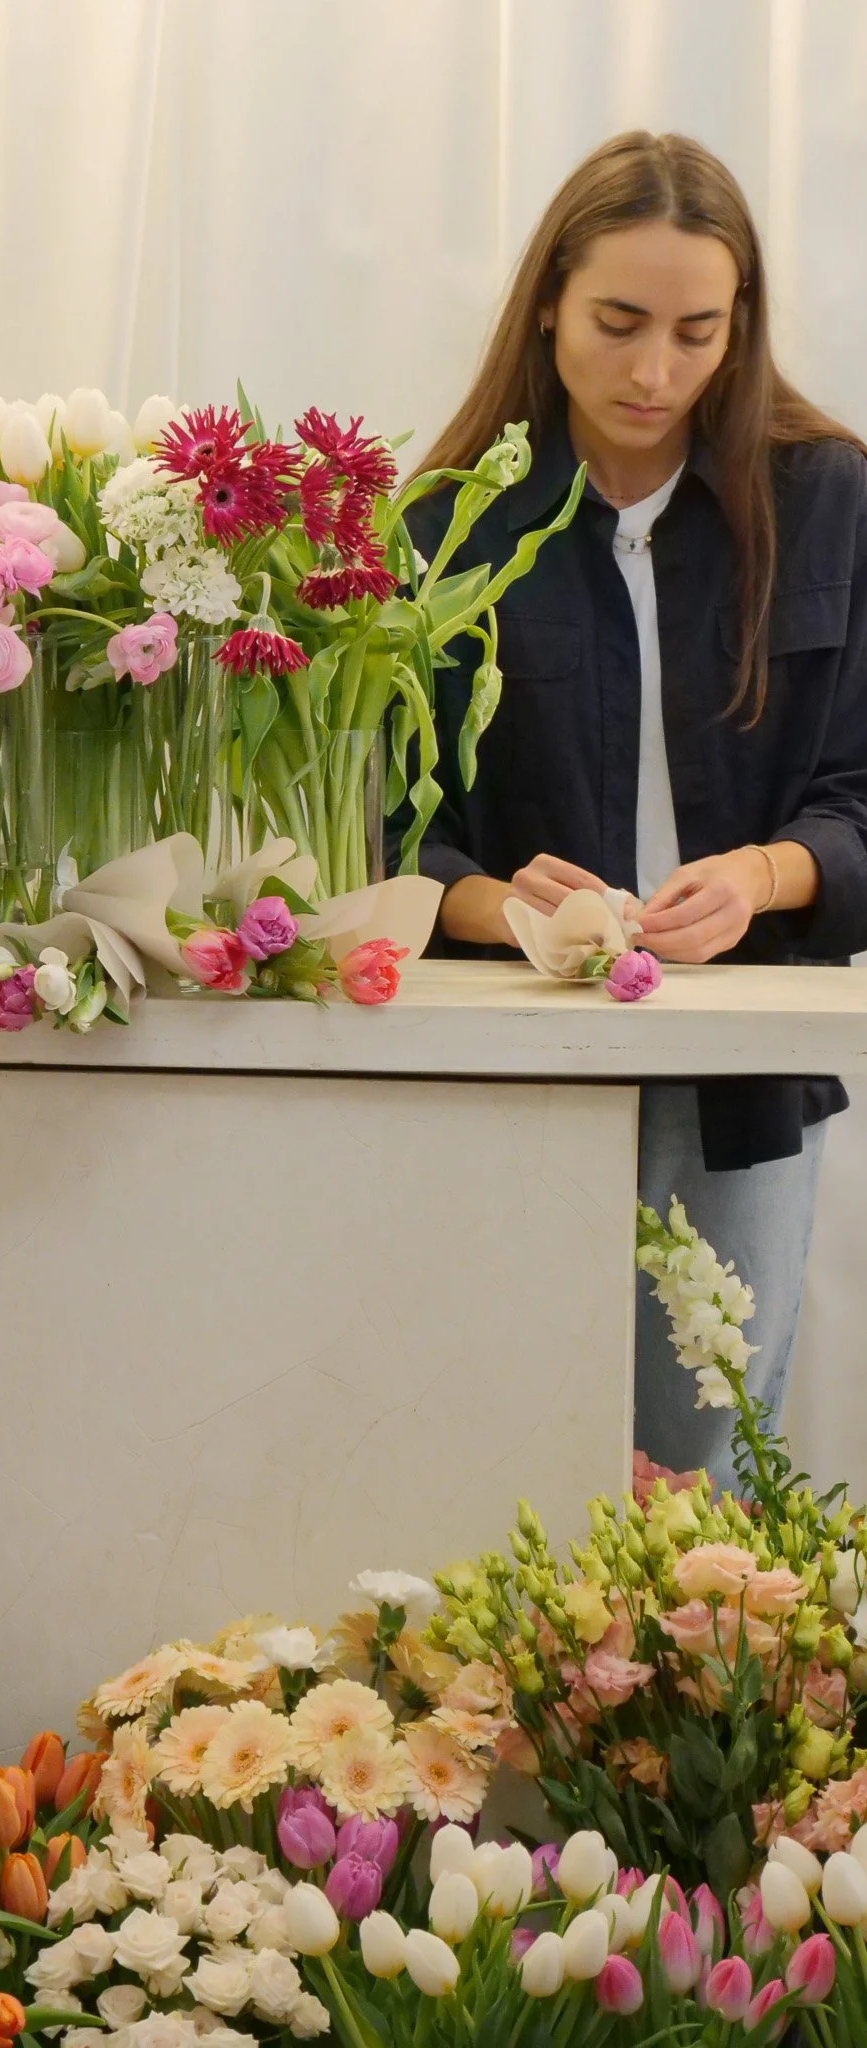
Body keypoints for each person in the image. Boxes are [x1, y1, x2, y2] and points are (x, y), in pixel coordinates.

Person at [403, 131, 867, 1490]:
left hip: (745, 1065)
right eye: (618, 323)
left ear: (740, 326)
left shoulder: (828, 501)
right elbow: (373, 830)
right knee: (493, 1451)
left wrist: (765, 876)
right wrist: (498, 908)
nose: (654, 372)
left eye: (695, 332)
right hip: (506, 1056)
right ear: (549, 300)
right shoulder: (449, 527)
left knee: (703, 1459)